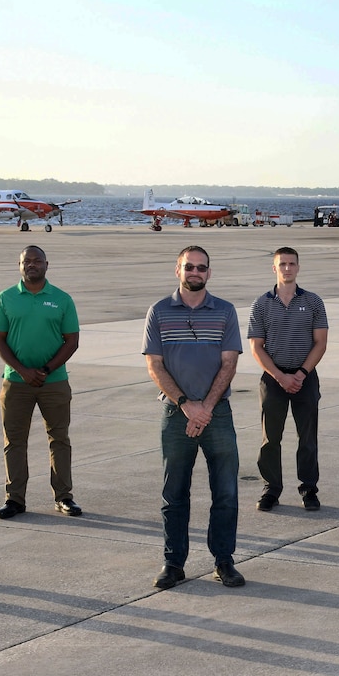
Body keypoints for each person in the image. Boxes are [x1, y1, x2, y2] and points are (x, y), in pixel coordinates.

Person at [142, 246, 245, 590]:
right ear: (178, 270)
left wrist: (205, 409)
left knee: (226, 492)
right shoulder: (158, 312)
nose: (195, 273)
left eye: (201, 268)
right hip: (176, 413)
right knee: (174, 493)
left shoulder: (225, 312)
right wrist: (187, 405)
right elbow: (154, 365)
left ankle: (224, 561)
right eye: (189, 267)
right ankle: (173, 563)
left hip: (217, 414)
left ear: (209, 273)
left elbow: (229, 363)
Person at [0, 245, 82, 520]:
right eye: (26, 261)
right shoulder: (5, 299)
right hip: (15, 383)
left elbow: (72, 341)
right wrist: (21, 370)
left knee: (59, 439)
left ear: (46, 264)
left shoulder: (62, 299)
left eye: (37, 261)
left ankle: (64, 496)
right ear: (20, 266)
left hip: (54, 382)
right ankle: (14, 499)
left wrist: (44, 369)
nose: (31, 265)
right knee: (14, 442)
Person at [247, 247, 328, 512]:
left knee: (307, 437)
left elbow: (320, 342)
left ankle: (308, 489)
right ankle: (271, 488)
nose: (287, 268)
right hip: (273, 378)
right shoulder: (261, 304)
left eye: (292, 264)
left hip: (305, 377)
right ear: (274, 268)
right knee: (271, 437)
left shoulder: (313, 301)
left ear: (298, 268)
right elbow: (256, 346)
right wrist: (280, 377)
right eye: (282, 264)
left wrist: (301, 374)